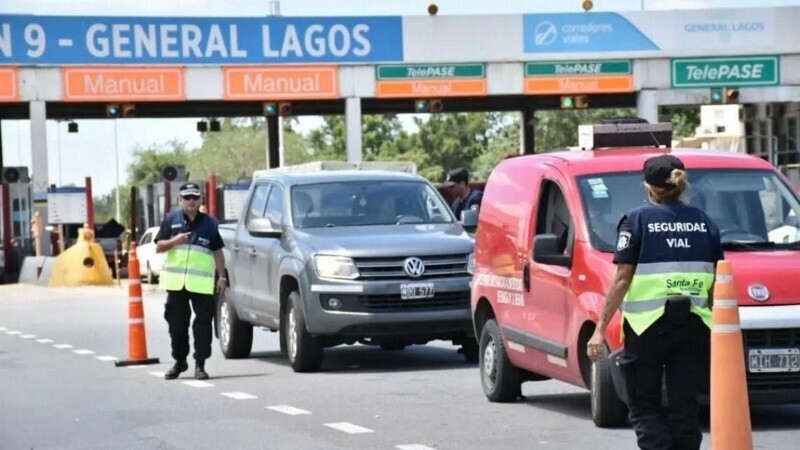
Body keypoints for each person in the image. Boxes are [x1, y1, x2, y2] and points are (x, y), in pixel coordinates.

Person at [586, 154, 723, 450]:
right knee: (685, 406)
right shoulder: (705, 222)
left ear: (647, 187)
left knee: (643, 403)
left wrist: (600, 329)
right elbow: (716, 281)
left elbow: (622, 278)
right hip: (695, 326)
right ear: (681, 184)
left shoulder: (636, 220)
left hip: (647, 327)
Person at [155, 182, 226, 380]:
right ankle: (180, 361)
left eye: (195, 197)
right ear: (180, 200)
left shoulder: (210, 224)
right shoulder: (171, 220)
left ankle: (200, 364)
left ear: (200, 199)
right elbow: (158, 246)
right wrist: (174, 241)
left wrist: (222, 277)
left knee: (203, 326)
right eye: (187, 198)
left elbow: (218, 252)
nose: (191, 201)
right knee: (177, 325)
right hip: (176, 284)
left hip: (201, 285)